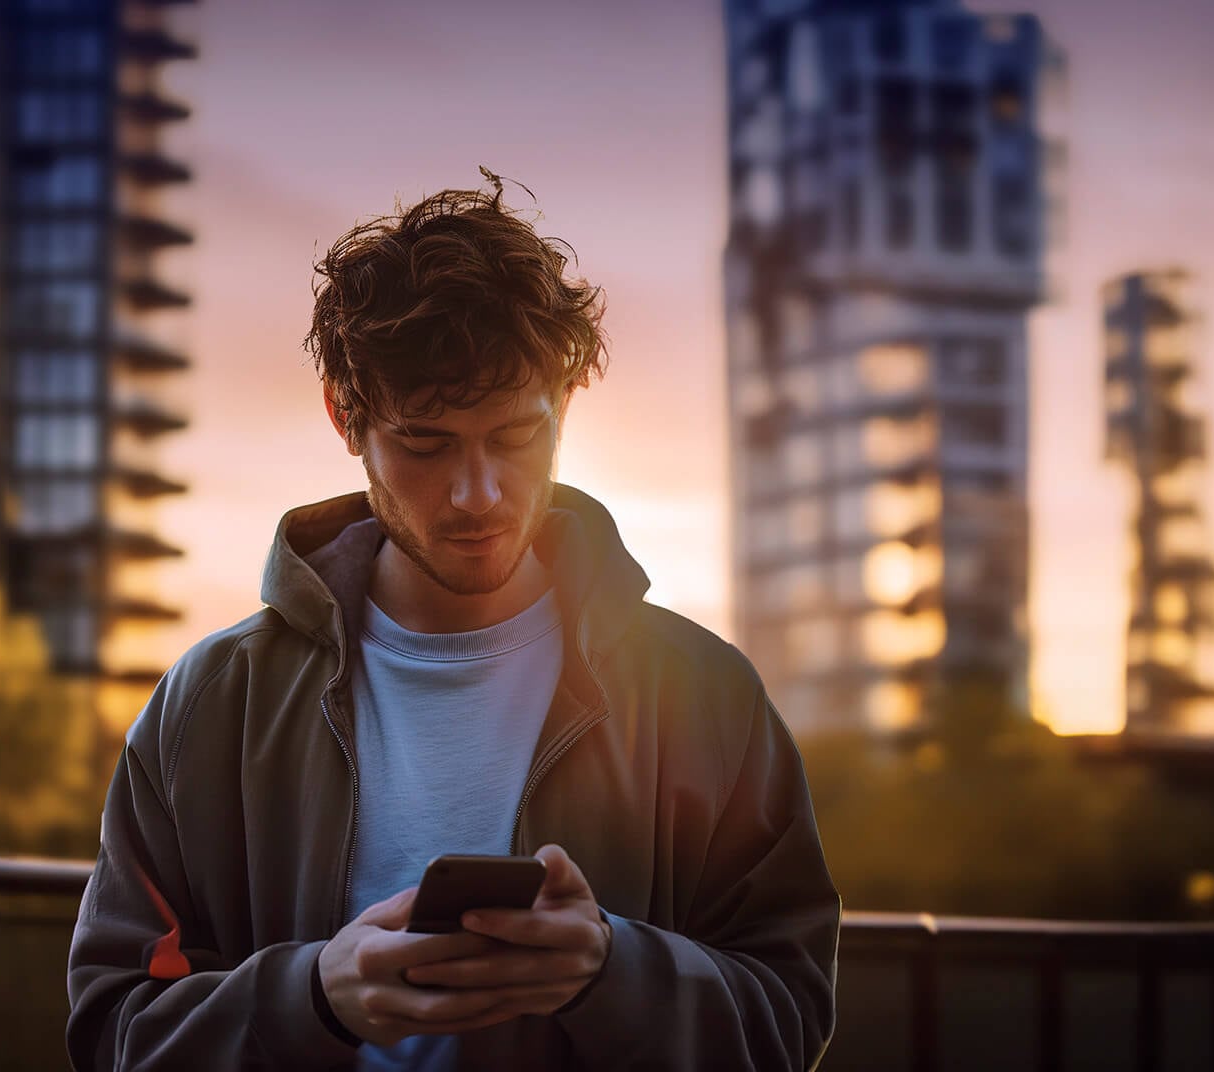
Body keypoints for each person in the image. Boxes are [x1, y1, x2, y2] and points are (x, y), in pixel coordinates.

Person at [66, 176, 840, 1070]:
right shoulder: (208, 707)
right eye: (426, 444)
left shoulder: (706, 696)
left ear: (566, 408)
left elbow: (787, 1020)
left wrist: (611, 972)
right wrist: (312, 998)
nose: (479, 494)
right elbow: (115, 1035)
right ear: (343, 416)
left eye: (516, 438)